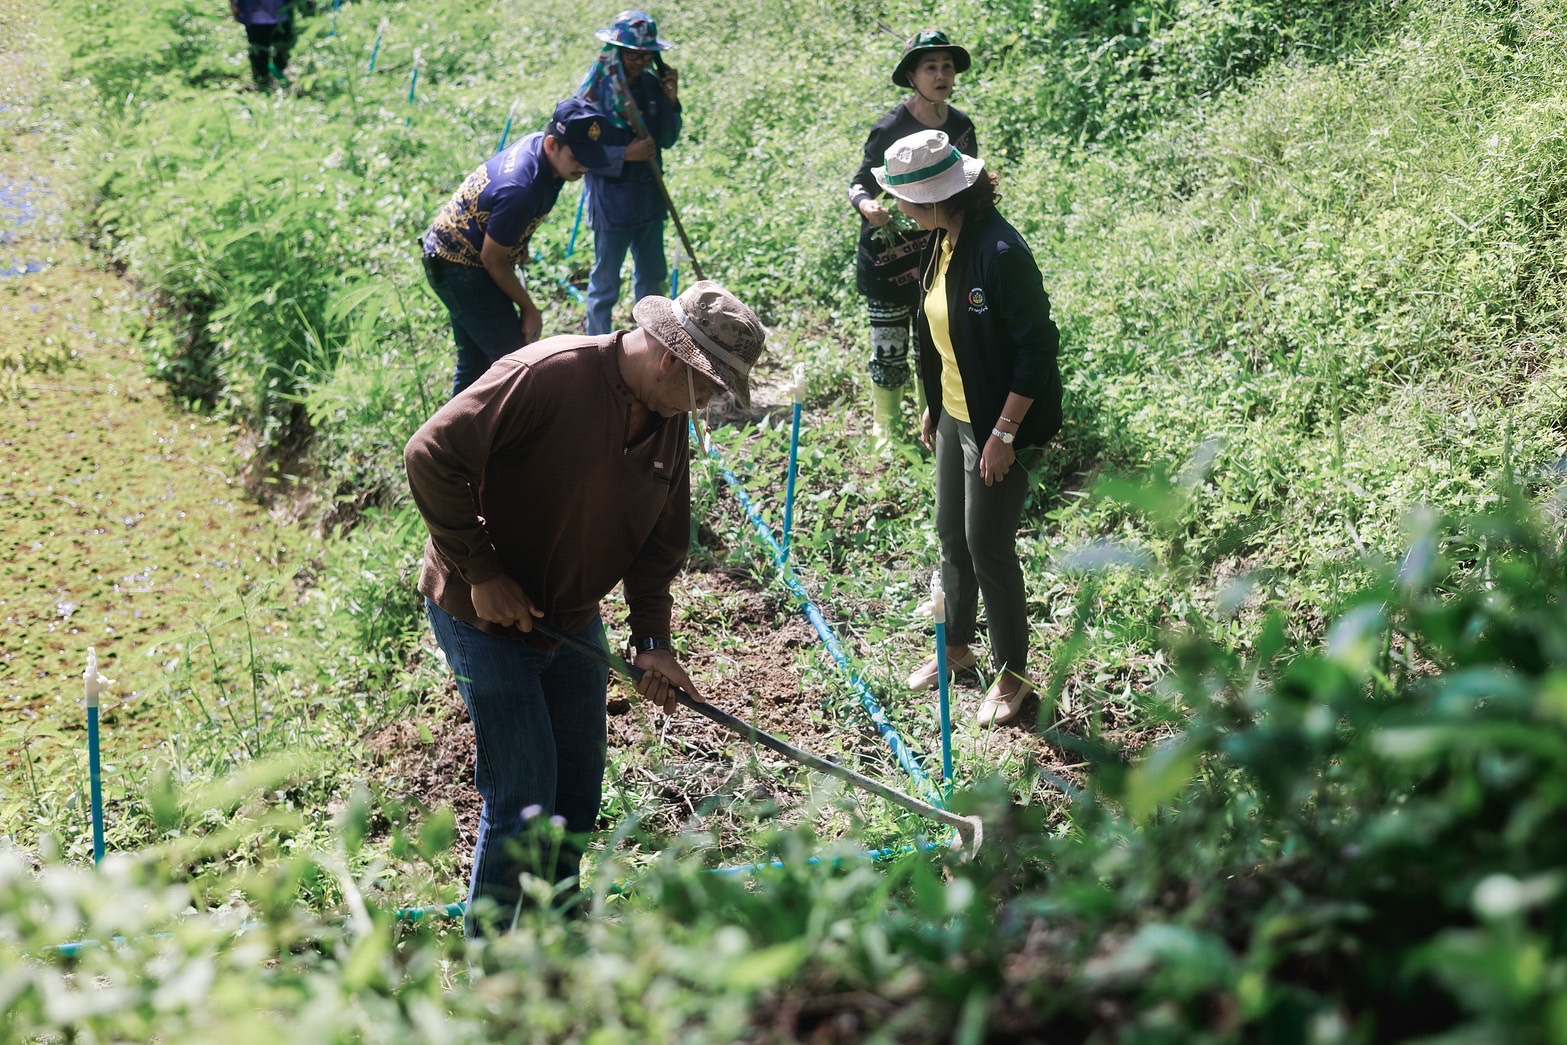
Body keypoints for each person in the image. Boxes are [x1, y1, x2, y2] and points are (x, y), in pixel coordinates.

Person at [404, 280, 766, 936]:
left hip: (570, 618)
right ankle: (491, 964)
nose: (709, 403)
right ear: (669, 359)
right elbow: (430, 454)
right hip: (483, 615)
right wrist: (482, 571)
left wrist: (652, 637)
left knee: (575, 792)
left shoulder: (666, 422)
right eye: (709, 386)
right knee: (521, 795)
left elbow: (659, 541)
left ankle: (555, 939)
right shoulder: (547, 375)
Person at [873, 130, 1061, 728]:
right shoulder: (942, 240)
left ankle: (1013, 676)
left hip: (996, 421)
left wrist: (1004, 435)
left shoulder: (1000, 253)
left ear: (932, 198)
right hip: (956, 413)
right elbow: (940, 331)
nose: (896, 207)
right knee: (950, 536)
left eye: (902, 197)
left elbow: (1037, 349)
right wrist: (934, 402)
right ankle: (955, 649)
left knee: (988, 547)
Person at [423, 99, 631, 397]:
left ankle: (454, 438)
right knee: (516, 363)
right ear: (551, 145)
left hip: (464, 256)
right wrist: (530, 308)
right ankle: (503, 437)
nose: (584, 167)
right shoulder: (521, 188)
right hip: (460, 267)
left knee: (475, 365)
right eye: (577, 157)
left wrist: (518, 243)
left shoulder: (546, 158)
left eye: (590, 157)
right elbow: (493, 259)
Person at [848, 31, 977, 443]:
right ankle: (885, 431)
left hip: (937, 258)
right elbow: (859, 183)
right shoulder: (891, 127)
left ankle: (935, 425)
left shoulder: (959, 127)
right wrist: (869, 207)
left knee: (935, 346)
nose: (941, 75)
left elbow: (967, 186)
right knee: (888, 348)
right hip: (887, 260)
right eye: (931, 67)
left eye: (947, 67)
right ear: (912, 76)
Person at [576, 10, 683, 336]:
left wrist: (672, 100)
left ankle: (651, 344)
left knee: (652, 278)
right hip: (612, 202)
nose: (640, 60)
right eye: (633, 54)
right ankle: (596, 350)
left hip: (649, 198)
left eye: (646, 54)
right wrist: (626, 154)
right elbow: (579, 151)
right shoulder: (596, 92)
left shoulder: (652, 85)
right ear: (617, 51)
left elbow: (666, 138)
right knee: (606, 282)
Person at [230, 0, 296, 91]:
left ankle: (281, 78)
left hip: (281, 16)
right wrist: (233, 5)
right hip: (256, 18)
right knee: (259, 53)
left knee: (282, 52)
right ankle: (262, 82)